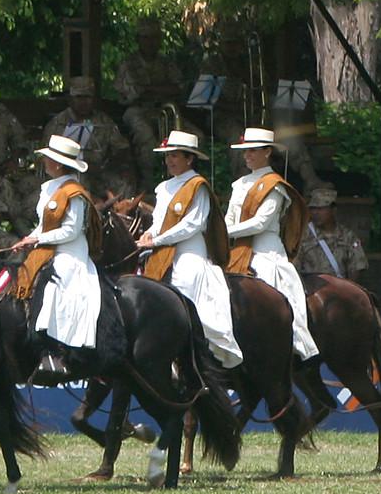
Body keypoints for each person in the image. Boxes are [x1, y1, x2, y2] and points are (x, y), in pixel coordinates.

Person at [137, 130, 241, 368]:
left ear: (189, 158)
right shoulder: (164, 187)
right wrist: (150, 233)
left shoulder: (198, 186)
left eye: (175, 156)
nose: (170, 161)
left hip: (190, 253)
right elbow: (159, 220)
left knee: (186, 283)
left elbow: (193, 224)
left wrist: (158, 240)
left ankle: (197, 351)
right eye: (167, 156)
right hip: (162, 253)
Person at [11, 135, 104, 382]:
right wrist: (28, 238)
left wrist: (37, 240)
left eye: (48, 158)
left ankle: (55, 350)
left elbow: (71, 231)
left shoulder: (75, 192)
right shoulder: (50, 188)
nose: (44, 161)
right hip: (48, 247)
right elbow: (42, 226)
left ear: (58, 164)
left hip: (70, 251)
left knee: (56, 281)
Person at [225, 128, 318, 361]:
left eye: (253, 151)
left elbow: (261, 223)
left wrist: (224, 232)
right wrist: (221, 232)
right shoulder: (239, 184)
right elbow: (229, 217)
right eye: (245, 151)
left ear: (267, 152)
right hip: (237, 250)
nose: (247, 156)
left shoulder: (275, 185)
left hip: (266, 249)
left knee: (272, 284)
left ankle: (295, 341)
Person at [114, 20, 184, 182]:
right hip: (136, 110)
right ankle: (148, 184)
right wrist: (161, 88)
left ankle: (184, 180)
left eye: (154, 38)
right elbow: (136, 93)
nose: (150, 42)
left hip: (164, 110)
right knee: (146, 138)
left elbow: (178, 88)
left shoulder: (166, 63)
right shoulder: (129, 64)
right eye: (146, 38)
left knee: (192, 136)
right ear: (138, 40)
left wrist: (151, 88)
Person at [41, 77, 132, 198]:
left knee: (125, 184)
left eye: (87, 97)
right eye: (79, 97)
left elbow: (122, 148)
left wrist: (110, 164)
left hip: (99, 173)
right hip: (66, 173)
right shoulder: (57, 123)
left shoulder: (104, 121)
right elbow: (45, 156)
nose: (84, 102)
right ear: (70, 99)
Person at [296, 186, 364, 280]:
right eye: (313, 209)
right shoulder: (303, 235)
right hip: (311, 291)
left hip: (339, 290)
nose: (315, 213)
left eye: (321, 209)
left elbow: (357, 267)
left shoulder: (348, 237)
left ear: (333, 209)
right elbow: (294, 268)